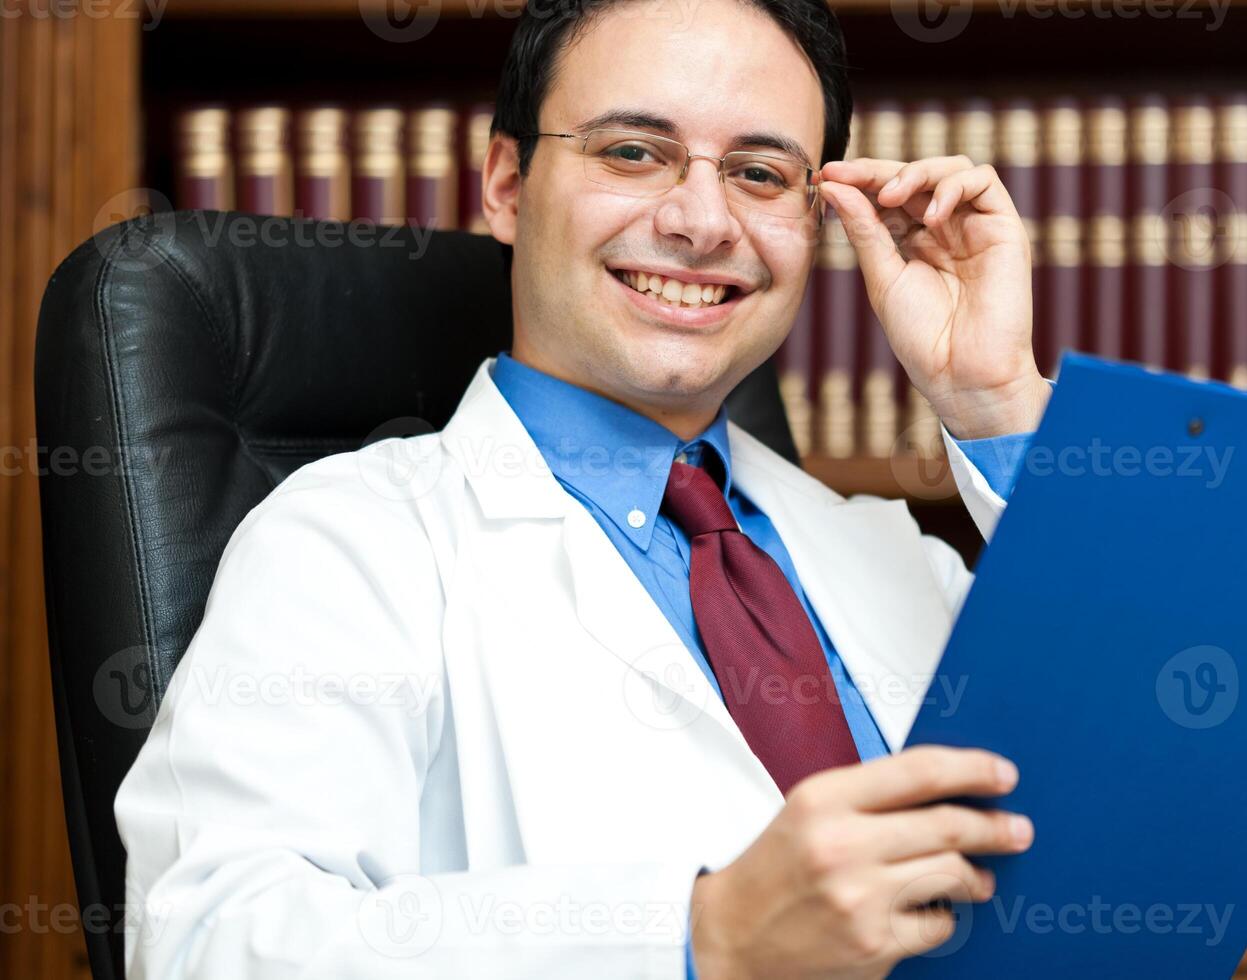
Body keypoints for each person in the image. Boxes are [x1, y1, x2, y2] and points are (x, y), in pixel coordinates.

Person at [114, 0, 1054, 976]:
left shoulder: (891, 555)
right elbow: (210, 942)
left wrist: (997, 405)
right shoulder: (345, 545)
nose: (700, 222)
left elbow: (1161, 789)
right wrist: (701, 936)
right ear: (509, 184)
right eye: (634, 153)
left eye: (761, 173)